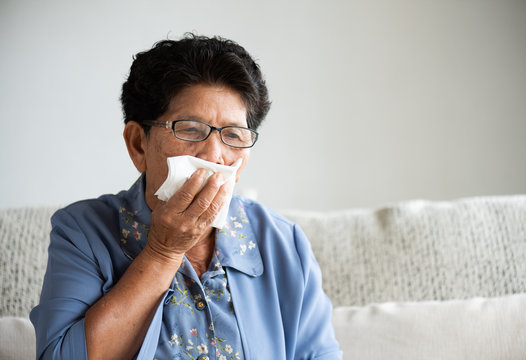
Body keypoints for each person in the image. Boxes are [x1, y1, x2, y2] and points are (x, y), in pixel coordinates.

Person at [30, 34, 342, 360]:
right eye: (191, 129)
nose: (214, 155)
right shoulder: (82, 231)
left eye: (233, 135)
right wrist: (163, 252)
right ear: (139, 144)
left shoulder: (283, 242)